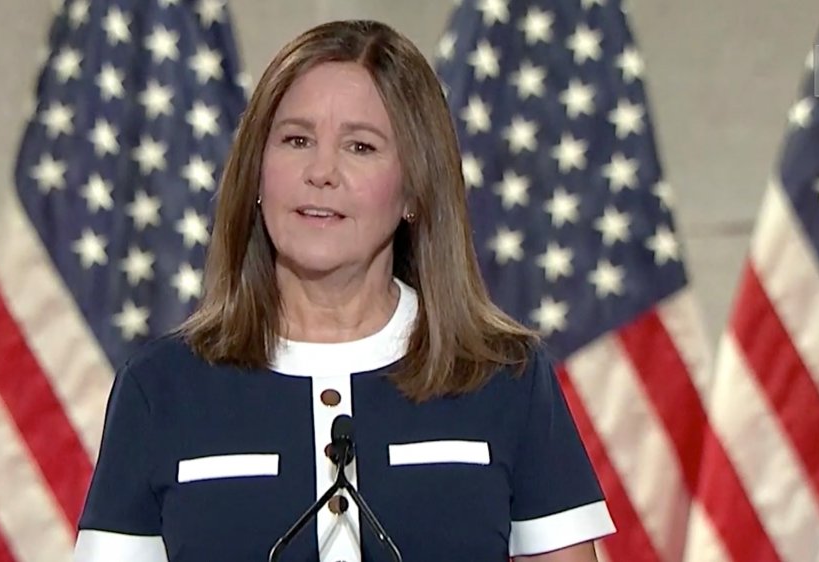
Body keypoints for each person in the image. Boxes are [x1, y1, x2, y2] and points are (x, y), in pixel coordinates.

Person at [72, 19, 616, 562]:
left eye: (360, 146)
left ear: (414, 190)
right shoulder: (161, 389)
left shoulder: (506, 379)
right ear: (257, 174)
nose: (321, 171)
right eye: (296, 139)